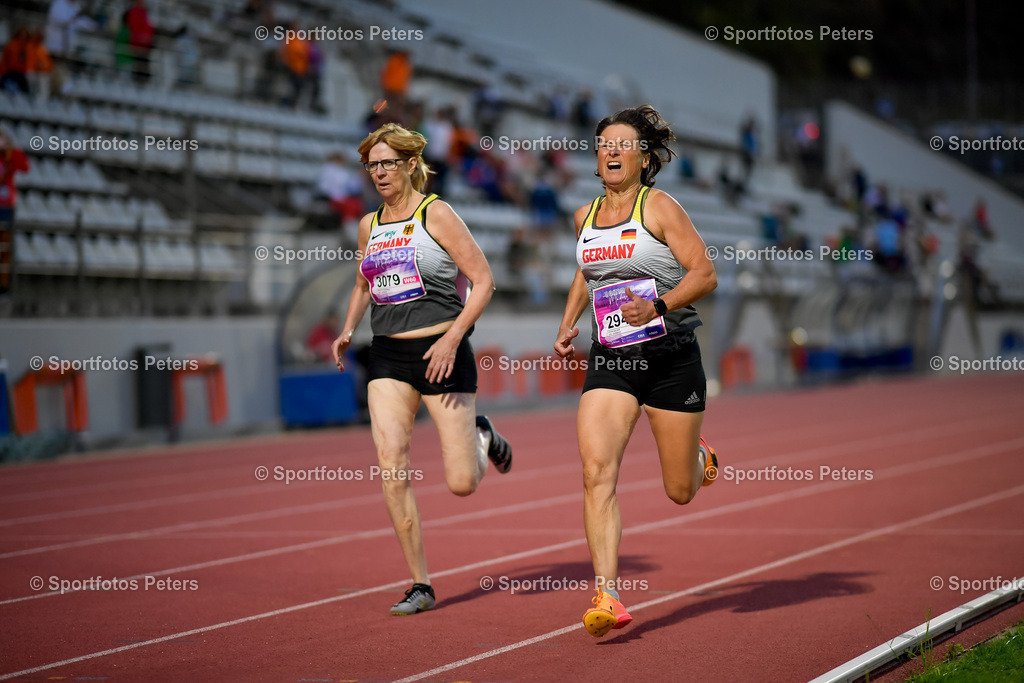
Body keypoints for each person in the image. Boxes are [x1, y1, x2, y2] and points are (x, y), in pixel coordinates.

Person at [331, 123, 513, 616]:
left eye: (388, 163)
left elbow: (483, 280)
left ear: (411, 164)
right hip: (387, 355)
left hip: (442, 351)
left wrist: (454, 337)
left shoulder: (438, 214)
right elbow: (362, 283)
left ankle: (482, 436)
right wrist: (348, 328)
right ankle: (420, 584)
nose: (380, 173)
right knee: (392, 467)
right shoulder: (369, 225)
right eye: (372, 165)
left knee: (461, 483)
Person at [553, 105, 720, 638]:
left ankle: (698, 457)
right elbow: (588, 271)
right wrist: (567, 323)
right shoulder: (583, 216)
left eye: (624, 144)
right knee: (595, 471)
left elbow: (705, 273)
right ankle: (607, 593)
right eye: (605, 144)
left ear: (644, 158)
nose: (612, 152)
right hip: (613, 359)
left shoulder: (660, 208)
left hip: (671, 358)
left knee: (680, 491)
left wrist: (661, 306)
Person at [0, 130, 30, 295]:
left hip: (5, 206)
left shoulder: (10, 156)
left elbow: (25, 166)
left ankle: (4, 285)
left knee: (5, 247)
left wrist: (10, 150)